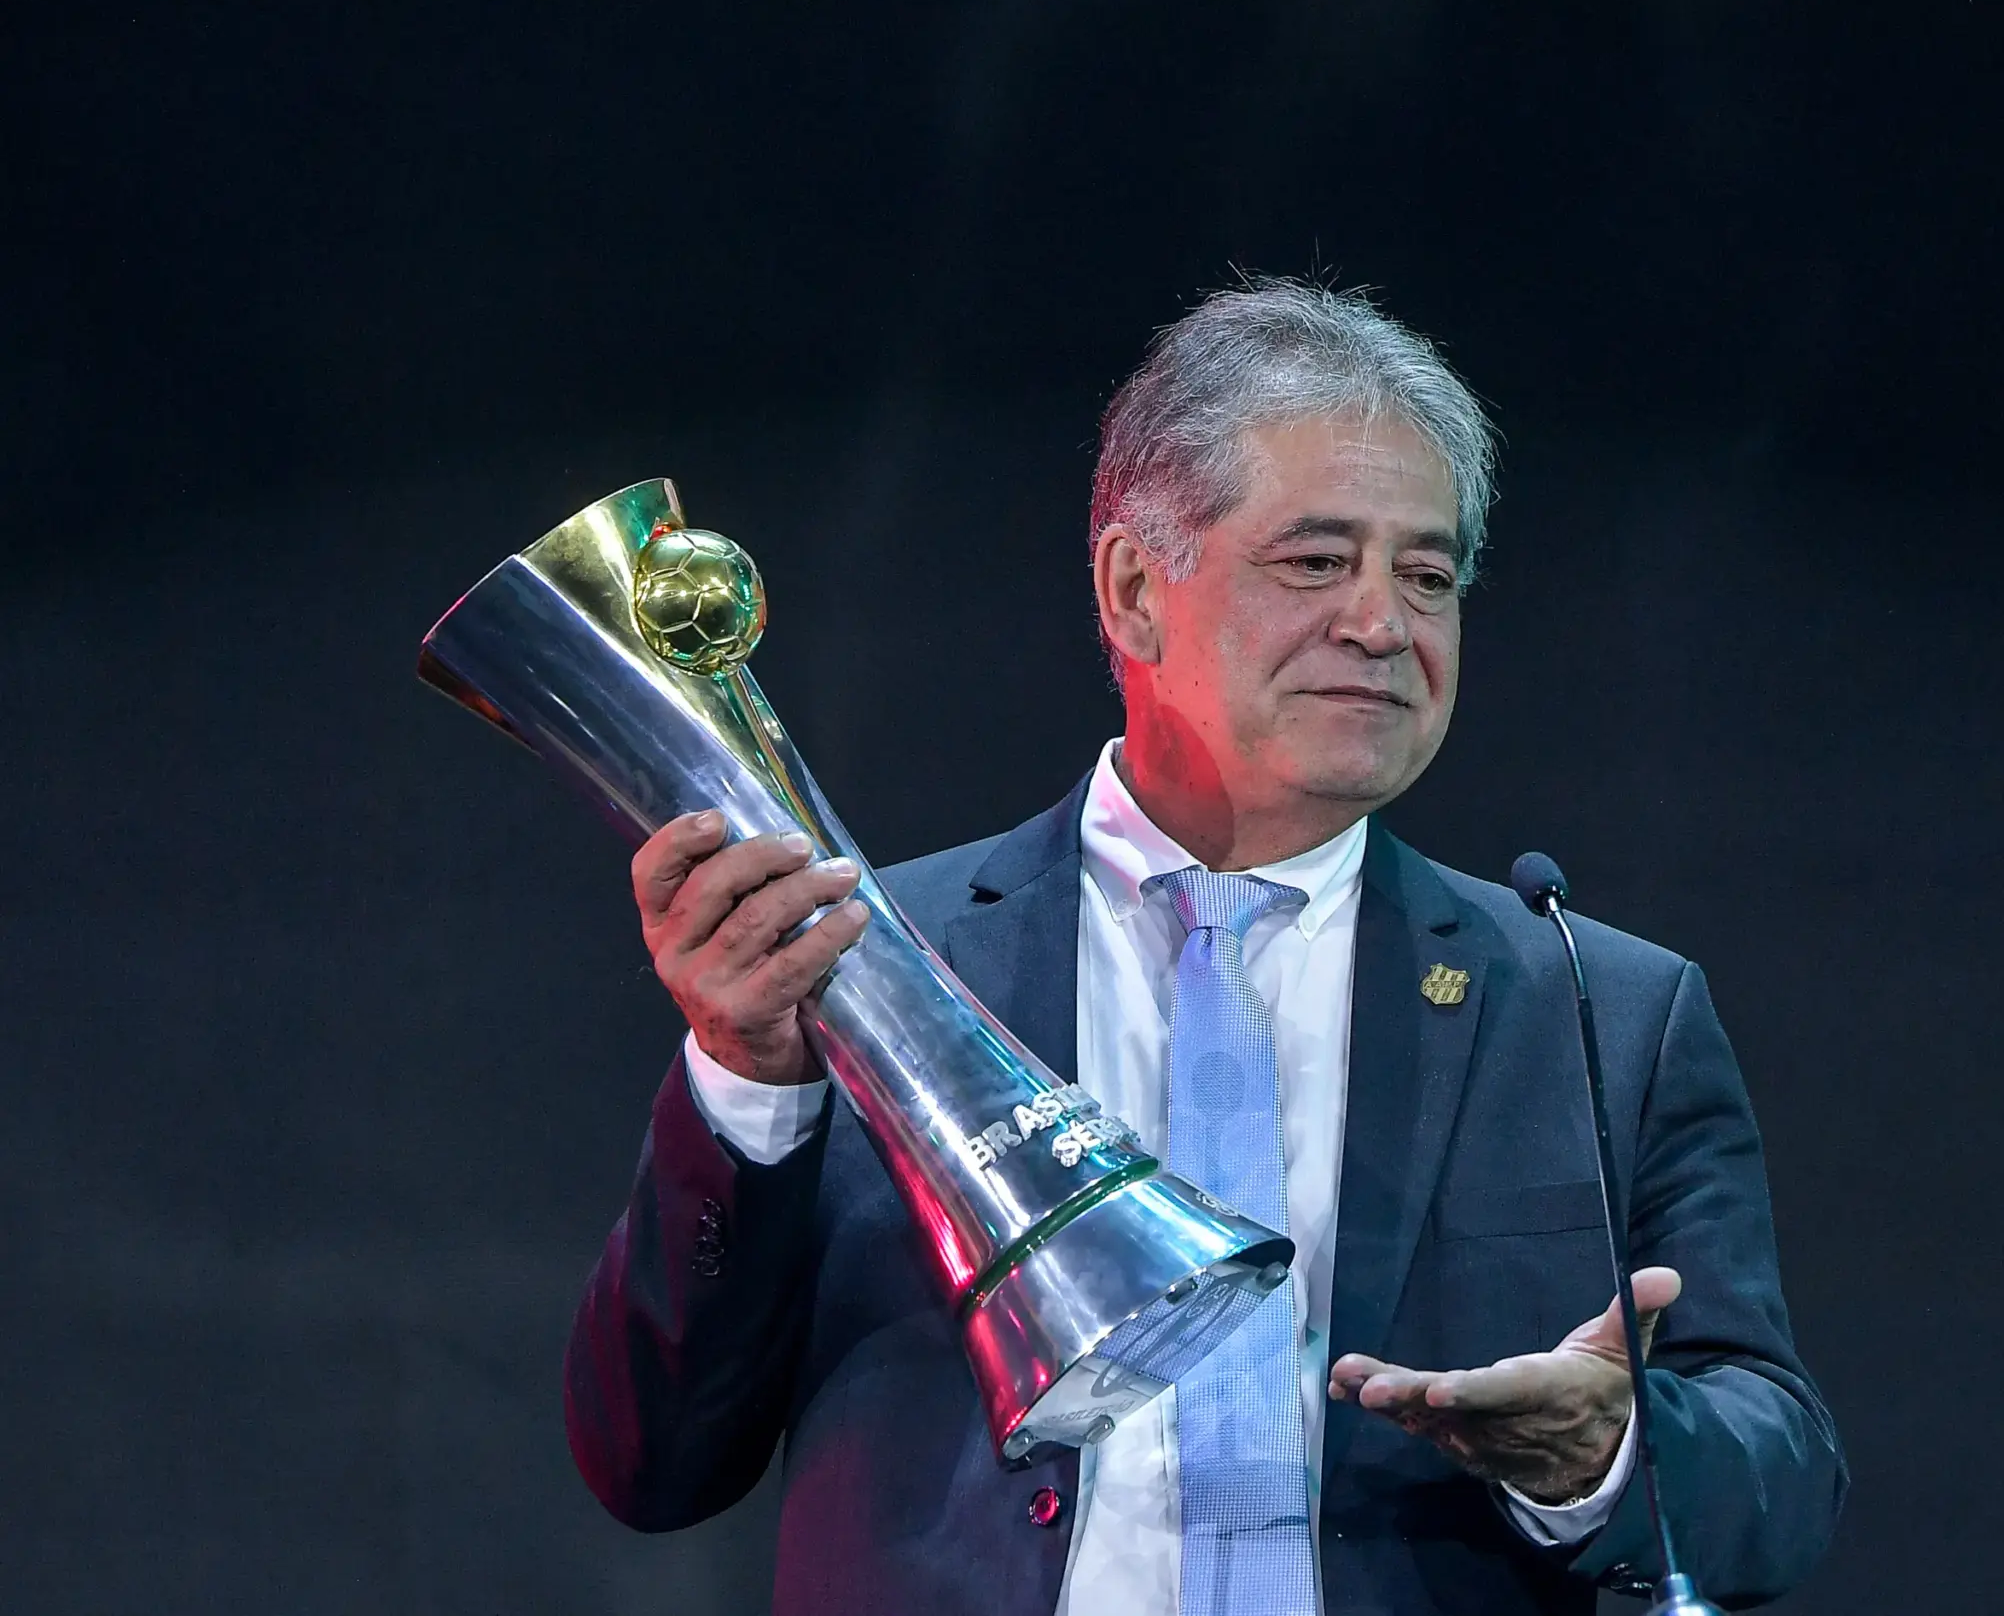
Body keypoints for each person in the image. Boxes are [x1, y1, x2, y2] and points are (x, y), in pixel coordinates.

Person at [564, 279, 1846, 1615]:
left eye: (1427, 572)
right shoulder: (864, 960)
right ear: (1133, 589)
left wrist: (1610, 1452)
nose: (1382, 623)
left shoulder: (1596, 1007)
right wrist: (750, 1083)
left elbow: (1781, 1473)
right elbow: (652, 1456)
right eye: (1315, 560)